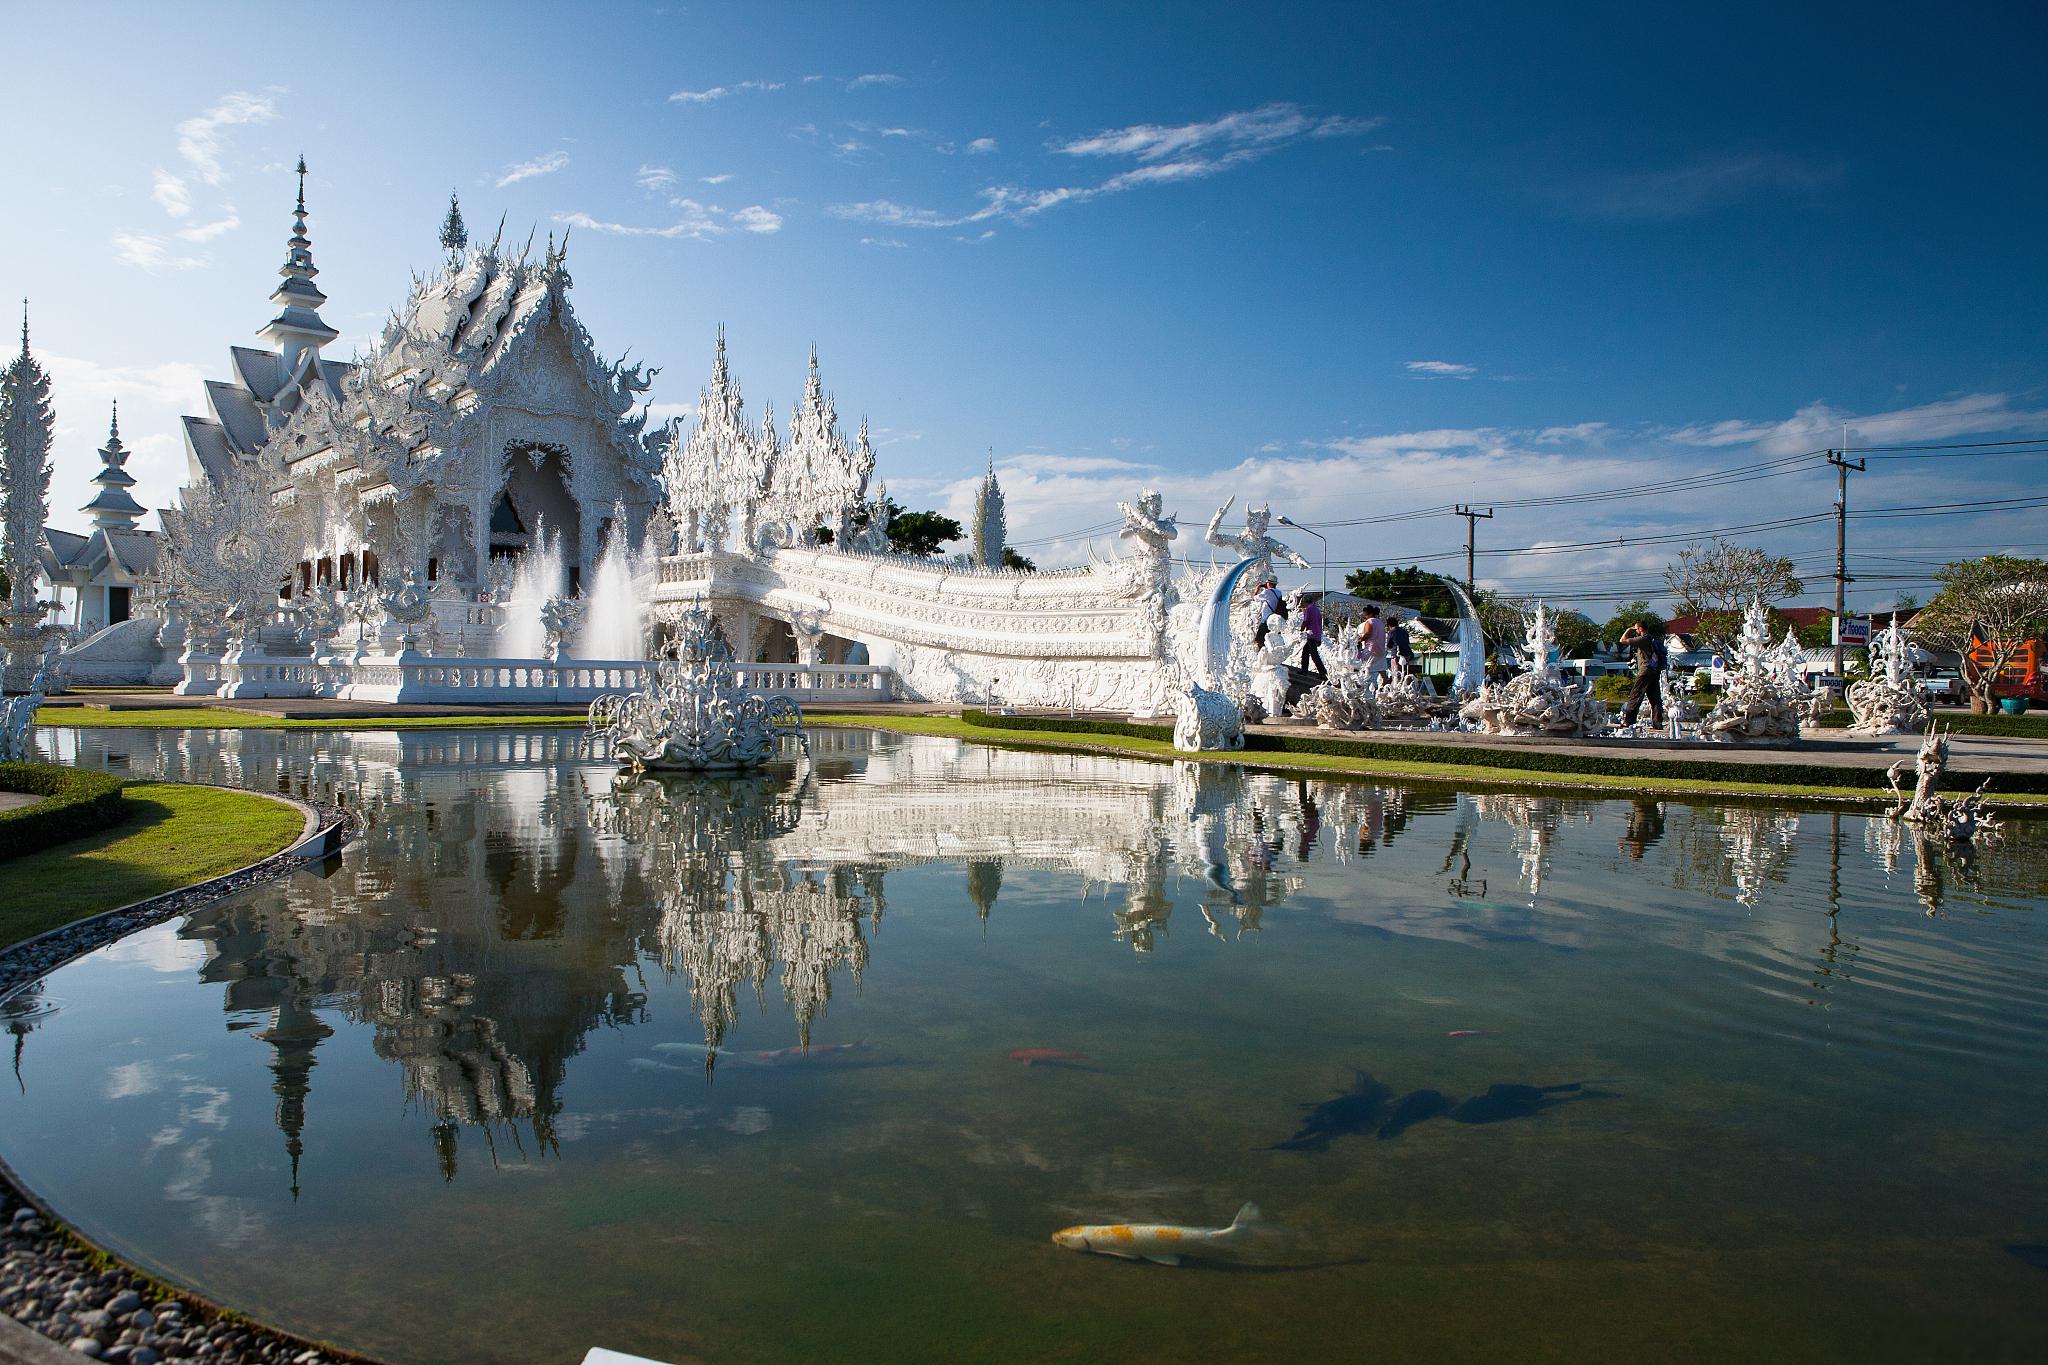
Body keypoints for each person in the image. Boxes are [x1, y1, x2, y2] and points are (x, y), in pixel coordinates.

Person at [1619, 621, 1667, 728]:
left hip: (1645, 671)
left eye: (1636, 629)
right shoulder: (1653, 638)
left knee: (1635, 695)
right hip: (1655, 671)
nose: (1635, 631)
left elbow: (1622, 640)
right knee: (1655, 698)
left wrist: (1628, 630)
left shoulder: (1643, 639)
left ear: (1640, 629)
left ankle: (1629, 721)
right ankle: (1657, 722)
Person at [1295, 590, 1326, 679]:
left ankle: (1323, 672)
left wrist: (1301, 631)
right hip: (1316, 634)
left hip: (1310, 634)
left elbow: (1305, 621)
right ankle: (1304, 670)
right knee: (1305, 652)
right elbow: (1319, 624)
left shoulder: (1308, 609)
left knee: (1314, 654)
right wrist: (1319, 637)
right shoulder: (1316, 610)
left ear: (1305, 601)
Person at [1358, 604, 1388, 687]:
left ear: (1368, 613)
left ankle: (1368, 685)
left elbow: (1367, 633)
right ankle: (1385, 685)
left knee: (1367, 667)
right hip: (1381, 648)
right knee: (1381, 669)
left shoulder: (1369, 622)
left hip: (1371, 648)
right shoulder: (1380, 622)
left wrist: (1360, 640)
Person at [1252, 578, 1285, 646]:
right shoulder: (1279, 592)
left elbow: (1254, 598)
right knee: (1274, 641)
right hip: (1276, 619)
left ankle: (1262, 654)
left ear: (1269, 583)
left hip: (1266, 619)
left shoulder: (1267, 592)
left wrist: (1258, 589)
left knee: (1259, 640)